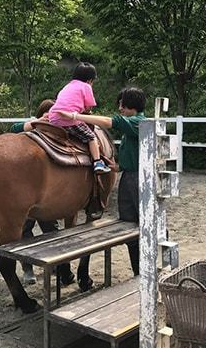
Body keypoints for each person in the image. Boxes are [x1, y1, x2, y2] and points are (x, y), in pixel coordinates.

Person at [56, 87, 146, 275]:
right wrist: (113, 167)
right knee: (129, 224)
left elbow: (107, 121)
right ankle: (139, 272)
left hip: (138, 179)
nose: (120, 108)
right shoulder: (133, 124)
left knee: (144, 223)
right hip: (128, 176)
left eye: (122, 104)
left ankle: (148, 269)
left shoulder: (139, 122)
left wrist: (75, 116)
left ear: (131, 105)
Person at [10, 99, 75, 286]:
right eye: (46, 115)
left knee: (51, 229)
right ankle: (27, 267)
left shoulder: (58, 135)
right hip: (27, 189)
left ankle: (56, 265)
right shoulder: (31, 129)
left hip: (48, 191)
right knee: (25, 229)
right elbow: (13, 128)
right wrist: (36, 122)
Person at [48, 63, 111, 174]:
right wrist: (86, 111)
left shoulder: (67, 86)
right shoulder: (86, 86)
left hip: (52, 117)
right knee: (91, 137)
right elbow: (89, 107)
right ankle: (98, 162)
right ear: (90, 80)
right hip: (69, 120)